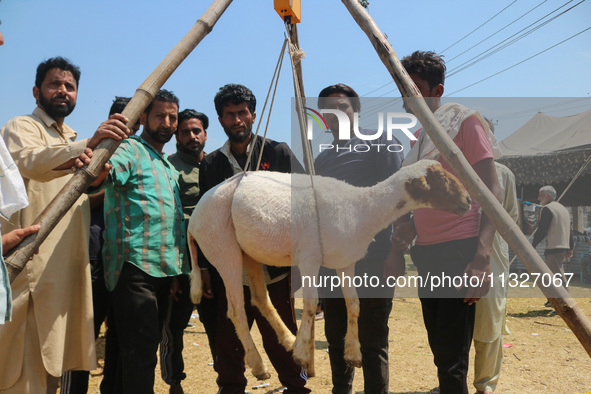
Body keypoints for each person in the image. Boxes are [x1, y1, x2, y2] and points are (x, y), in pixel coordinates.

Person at [0, 56, 130, 393]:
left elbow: (77, 195)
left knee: (53, 370)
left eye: (69, 87)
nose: (62, 91)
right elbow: (29, 162)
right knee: (21, 370)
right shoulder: (21, 127)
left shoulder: (71, 138)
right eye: (54, 84)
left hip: (67, 272)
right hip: (31, 271)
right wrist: (86, 146)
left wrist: (95, 181)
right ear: (36, 91)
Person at [394, 50, 503, 394]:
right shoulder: (420, 138)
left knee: (453, 354)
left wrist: (481, 255)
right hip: (427, 253)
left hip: (460, 249)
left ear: (437, 91)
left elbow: (492, 189)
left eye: (415, 88)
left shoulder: (464, 122)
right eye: (403, 87)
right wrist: (409, 225)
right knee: (441, 348)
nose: (406, 95)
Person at [198, 83, 309, 393]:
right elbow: (209, 221)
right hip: (232, 269)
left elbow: (304, 204)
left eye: (242, 113)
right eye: (230, 114)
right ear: (220, 119)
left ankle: (295, 387)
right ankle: (230, 387)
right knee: (230, 336)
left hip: (274, 267)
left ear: (254, 115)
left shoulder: (278, 152)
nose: (237, 120)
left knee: (281, 333)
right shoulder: (210, 165)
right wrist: (207, 267)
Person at [89, 89, 188, 393]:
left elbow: (172, 225)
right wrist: (98, 169)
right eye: (160, 115)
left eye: (172, 117)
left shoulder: (168, 166)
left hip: (162, 271)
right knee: (141, 355)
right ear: (143, 117)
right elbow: (101, 176)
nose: (167, 122)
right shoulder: (129, 149)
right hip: (132, 268)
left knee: (127, 352)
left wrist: (174, 272)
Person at [313, 83, 403, 394]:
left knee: (372, 339)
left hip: (373, 259)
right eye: (329, 110)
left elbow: (397, 199)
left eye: (343, 107)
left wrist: (396, 251)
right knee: (337, 336)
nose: (336, 114)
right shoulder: (321, 161)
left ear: (356, 110)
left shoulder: (380, 142)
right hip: (332, 263)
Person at [61, 96, 139, 394]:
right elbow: (75, 195)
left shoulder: (139, 156)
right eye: (121, 122)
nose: (126, 130)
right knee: (82, 338)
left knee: (119, 337)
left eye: (132, 124)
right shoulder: (87, 155)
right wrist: (108, 186)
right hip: (91, 259)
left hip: (122, 265)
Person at [160, 108, 209, 394]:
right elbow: (169, 219)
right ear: (177, 135)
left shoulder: (216, 164)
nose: (191, 136)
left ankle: (225, 380)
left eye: (196, 131)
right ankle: (174, 382)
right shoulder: (169, 167)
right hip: (180, 260)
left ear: (205, 133)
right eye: (185, 132)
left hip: (215, 259)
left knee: (220, 327)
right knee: (174, 327)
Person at [472, 161, 518, 394]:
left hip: (493, 254)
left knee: (489, 321)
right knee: (451, 321)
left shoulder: (502, 173)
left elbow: (508, 216)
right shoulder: (444, 165)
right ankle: (453, 380)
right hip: (452, 252)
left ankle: (485, 386)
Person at [532, 186, 572, 294]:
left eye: (541, 196)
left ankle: (565, 302)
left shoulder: (548, 209)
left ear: (548, 196)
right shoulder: (563, 209)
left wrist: (533, 244)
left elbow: (542, 229)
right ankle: (553, 299)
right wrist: (570, 247)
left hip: (554, 247)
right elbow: (570, 230)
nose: (539, 198)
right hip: (563, 246)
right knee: (551, 275)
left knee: (557, 274)